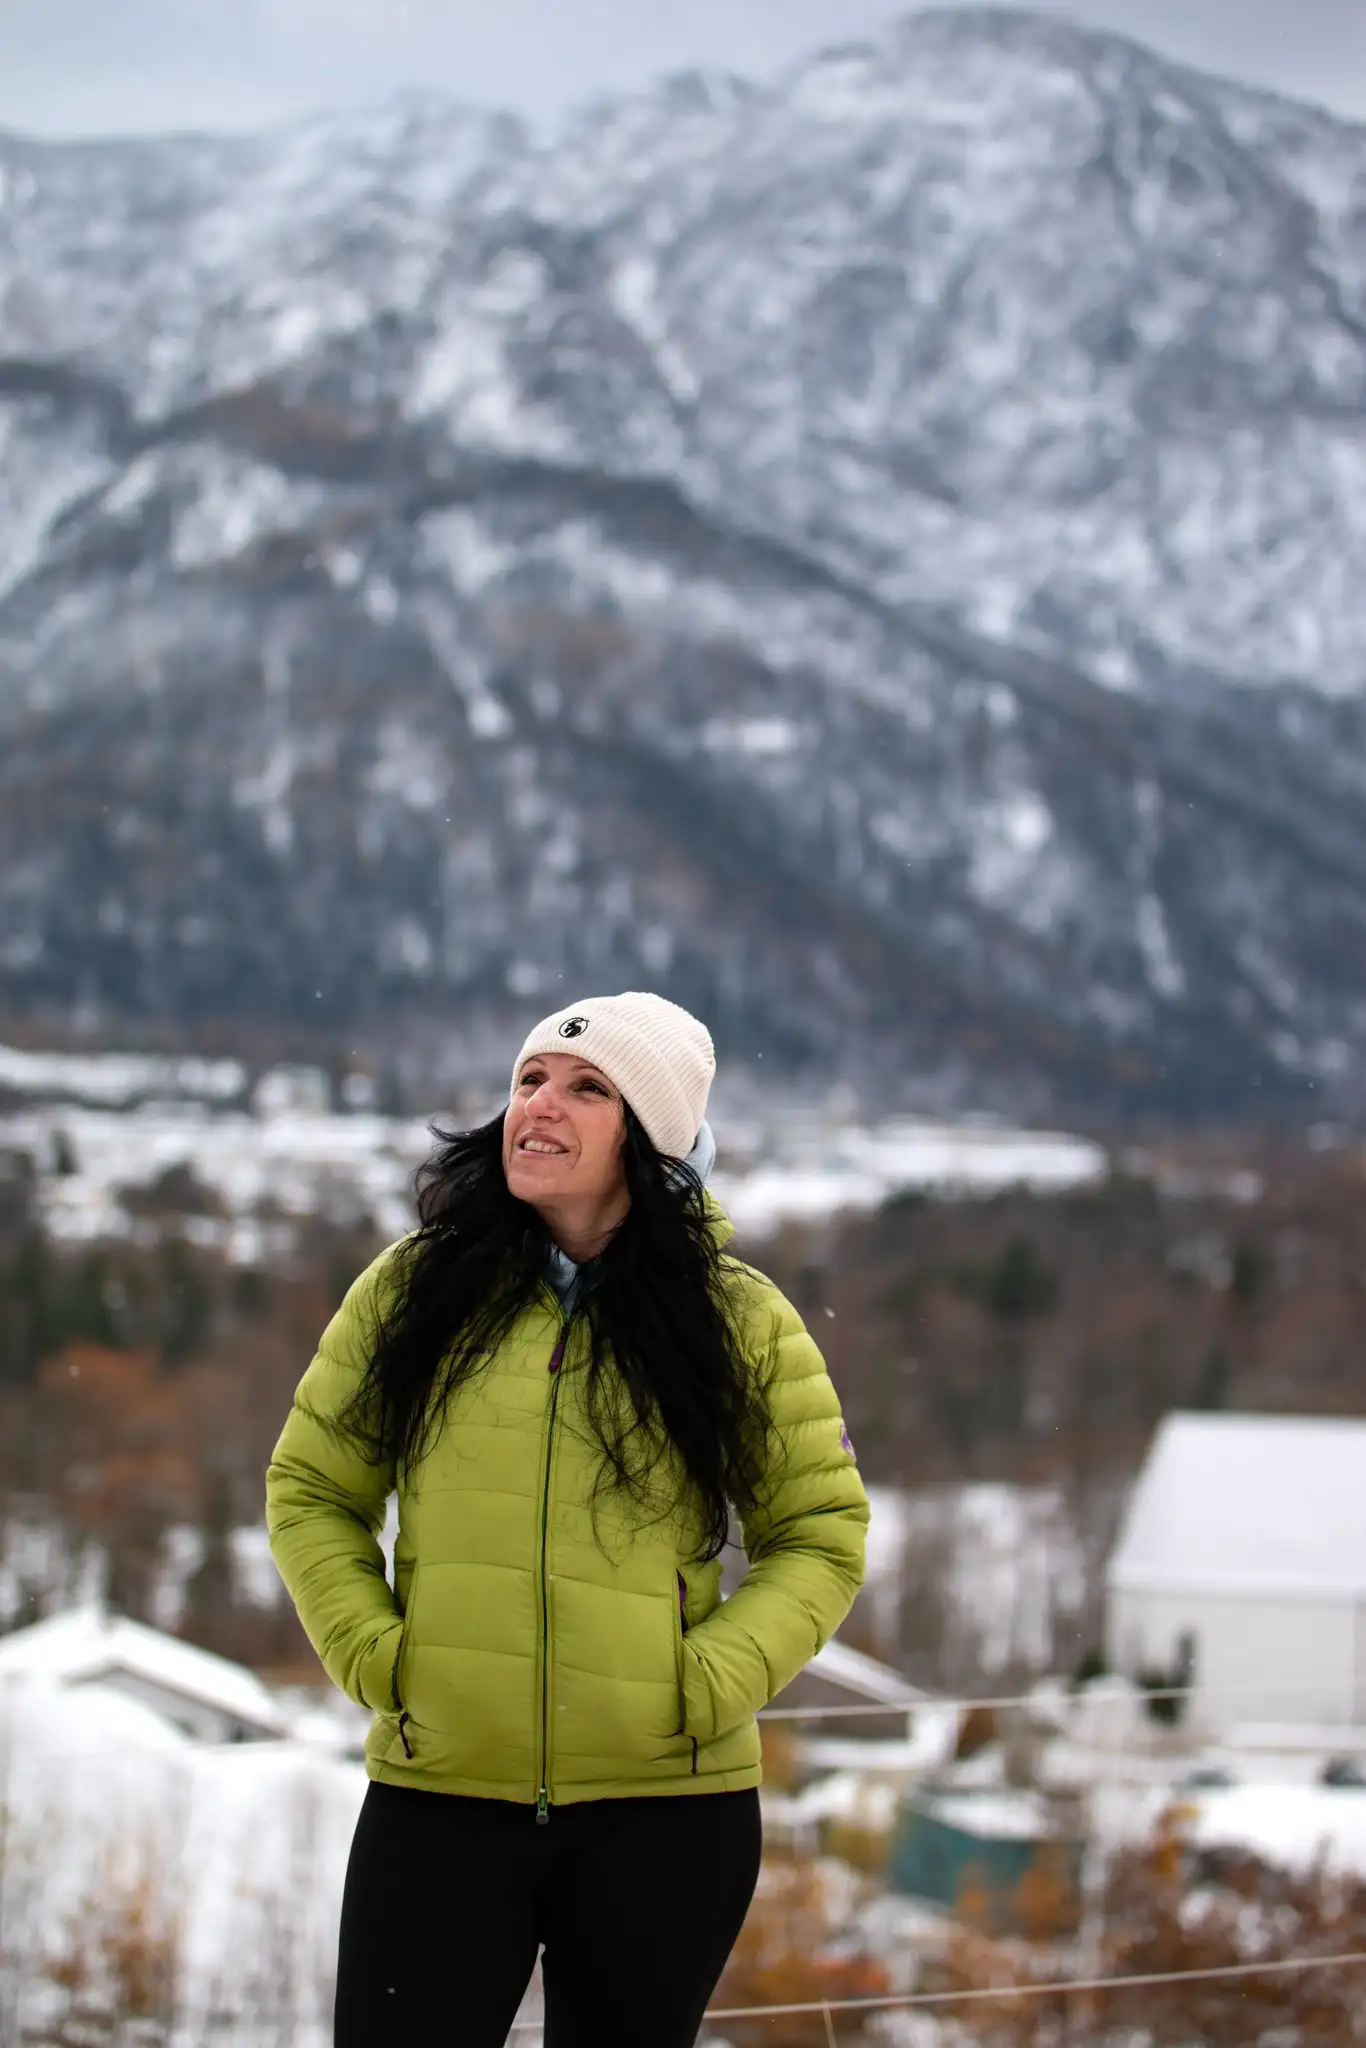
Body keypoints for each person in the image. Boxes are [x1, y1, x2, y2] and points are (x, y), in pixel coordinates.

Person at [266, 992, 869, 2047]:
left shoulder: (737, 1317)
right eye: (529, 1079)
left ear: (654, 1136)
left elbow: (819, 1532)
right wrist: (383, 1657)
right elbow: (313, 1488)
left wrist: (707, 1680)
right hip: (441, 1793)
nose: (538, 1105)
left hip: (665, 1816)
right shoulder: (413, 1291)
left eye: (588, 1087)